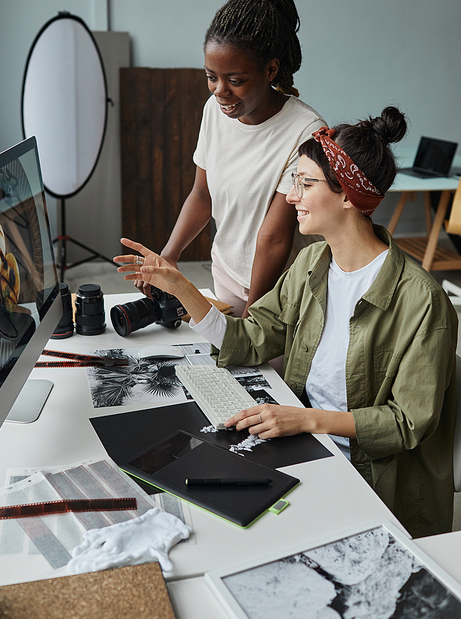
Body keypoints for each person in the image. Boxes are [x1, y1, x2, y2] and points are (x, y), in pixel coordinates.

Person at [114, 106, 458, 539]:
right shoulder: (313, 262)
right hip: (306, 443)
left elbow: (407, 423)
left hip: (371, 474)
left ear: (349, 195)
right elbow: (250, 338)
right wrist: (181, 286)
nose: (292, 195)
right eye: (295, 181)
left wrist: (307, 419)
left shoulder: (421, 301)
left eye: (305, 183)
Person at [136, 0, 326, 318]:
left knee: (267, 370)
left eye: (235, 81)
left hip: (278, 289)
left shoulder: (304, 131)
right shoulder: (215, 111)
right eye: (211, 77)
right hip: (225, 272)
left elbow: (274, 239)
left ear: (270, 69)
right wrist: (169, 255)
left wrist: (255, 318)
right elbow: (202, 195)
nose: (220, 91)